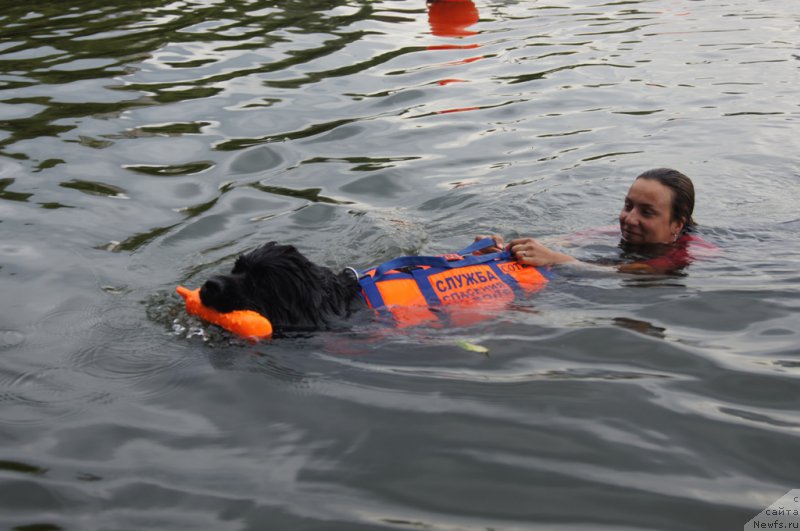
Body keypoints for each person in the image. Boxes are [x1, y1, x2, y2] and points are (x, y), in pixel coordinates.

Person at [477, 168, 713, 273]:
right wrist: (503, 249)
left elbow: (629, 271)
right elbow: (553, 243)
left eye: (647, 212)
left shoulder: (688, 254)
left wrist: (558, 260)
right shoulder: (610, 232)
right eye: (628, 206)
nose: (630, 220)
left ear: (677, 225)